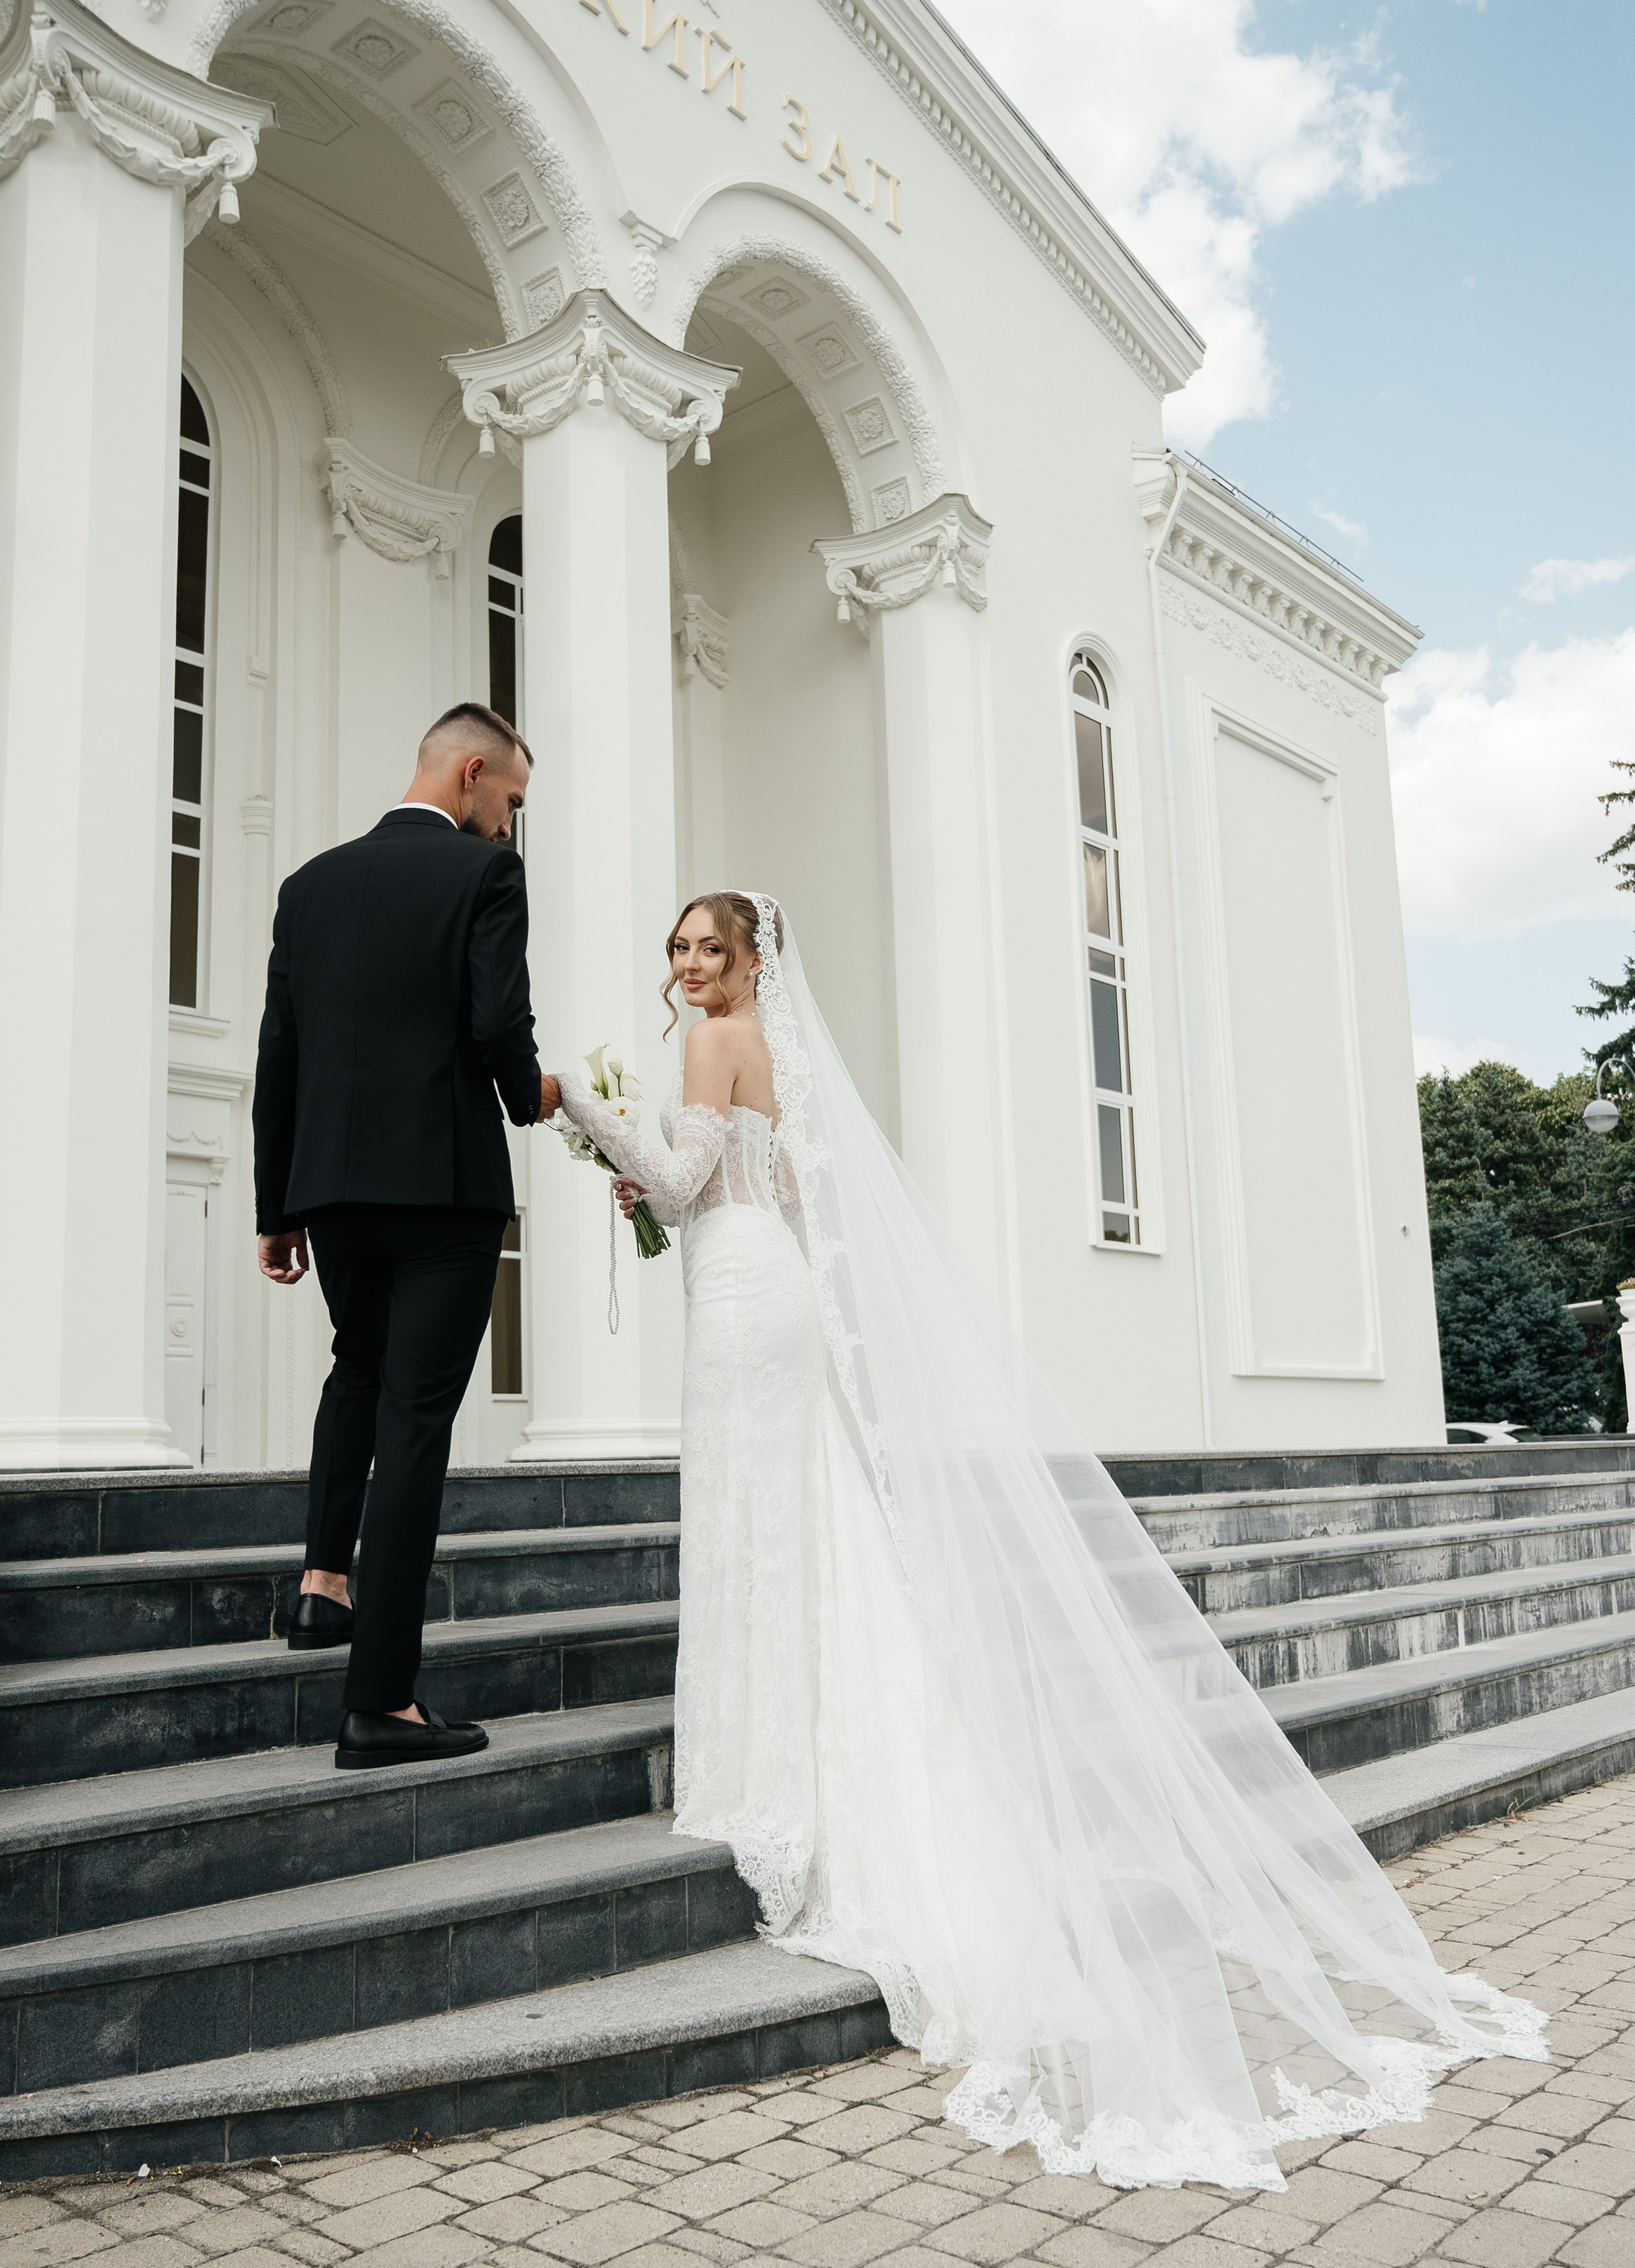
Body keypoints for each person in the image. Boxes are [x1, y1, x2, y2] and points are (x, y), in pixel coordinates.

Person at [547, 893, 1549, 2192]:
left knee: (760, 1528)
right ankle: (787, 1763)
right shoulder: (774, 1054)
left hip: (742, 1302)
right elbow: (777, 1187)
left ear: (747, 964)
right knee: (801, 1532)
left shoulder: (705, 1043)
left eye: (709, 951)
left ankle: (761, 1783)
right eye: (679, 950)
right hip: (774, 1287)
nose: (690, 968)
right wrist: (667, 1170)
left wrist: (580, 1106)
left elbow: (687, 1188)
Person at [253, 703, 560, 1771]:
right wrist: (535, 1096)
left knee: (358, 1366)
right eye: (511, 802)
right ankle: (380, 1702)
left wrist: (275, 1207)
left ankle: (320, 1588)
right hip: (442, 1190)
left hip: (332, 1189)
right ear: (471, 773)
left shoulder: (309, 886)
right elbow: (495, 1023)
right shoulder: (484, 879)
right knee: (417, 1421)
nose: (509, 827)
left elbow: (278, 1058)